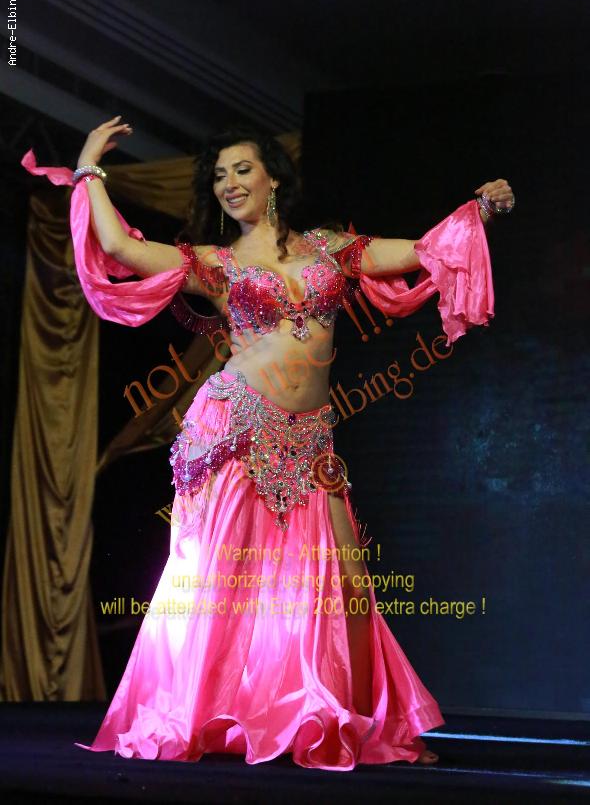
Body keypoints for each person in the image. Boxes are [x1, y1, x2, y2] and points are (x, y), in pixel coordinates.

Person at [22, 116, 513, 771]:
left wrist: (480, 211)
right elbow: (120, 248)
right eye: (219, 175)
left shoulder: (330, 249)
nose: (229, 183)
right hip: (235, 427)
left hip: (309, 438)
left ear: (273, 178)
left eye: (242, 169)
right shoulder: (217, 264)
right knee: (226, 582)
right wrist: (88, 164)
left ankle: (342, 719)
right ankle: (212, 712)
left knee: (344, 586)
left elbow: (419, 251)